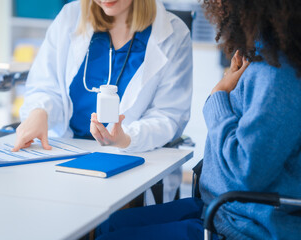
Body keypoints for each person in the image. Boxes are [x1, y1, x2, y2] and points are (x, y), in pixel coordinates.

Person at [94, 0, 301, 239]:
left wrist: (219, 96)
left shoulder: (278, 74)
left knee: (108, 237)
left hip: (243, 225)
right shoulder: (261, 55)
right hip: (218, 208)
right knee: (106, 224)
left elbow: (245, 171)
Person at [12, 0, 192, 203]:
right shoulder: (70, 17)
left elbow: (168, 116)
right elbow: (44, 86)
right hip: (65, 157)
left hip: (129, 163)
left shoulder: (174, 34)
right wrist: (40, 112)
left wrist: (125, 138)